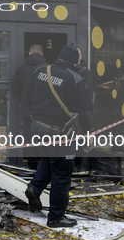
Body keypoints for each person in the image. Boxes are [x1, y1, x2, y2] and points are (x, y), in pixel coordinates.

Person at [22, 44, 93, 228]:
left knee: (50, 159)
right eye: (79, 57)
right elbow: (85, 112)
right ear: (74, 60)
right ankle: (56, 217)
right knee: (62, 173)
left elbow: (26, 97)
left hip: (36, 128)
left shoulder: (39, 71)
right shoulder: (75, 79)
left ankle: (34, 188)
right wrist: (90, 133)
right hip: (59, 133)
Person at [11, 44, 47, 169]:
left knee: (29, 136)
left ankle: (32, 164)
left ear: (30, 54)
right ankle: (44, 164)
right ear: (42, 54)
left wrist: (25, 97)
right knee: (45, 136)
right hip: (45, 110)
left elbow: (15, 88)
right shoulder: (49, 69)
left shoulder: (22, 69)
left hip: (28, 110)